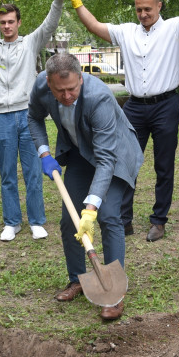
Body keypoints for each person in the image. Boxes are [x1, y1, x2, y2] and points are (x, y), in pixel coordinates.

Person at [59, 0, 179, 242]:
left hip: (165, 105)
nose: (143, 14)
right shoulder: (127, 32)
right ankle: (122, 219)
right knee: (123, 163)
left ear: (159, 6)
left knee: (164, 164)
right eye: (138, 10)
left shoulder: (174, 28)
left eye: (148, 9)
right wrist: (76, 1)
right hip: (135, 106)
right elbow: (93, 25)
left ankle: (159, 220)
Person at [28, 53, 143, 321]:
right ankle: (76, 280)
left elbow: (105, 160)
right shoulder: (41, 87)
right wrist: (44, 153)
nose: (67, 96)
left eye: (72, 89)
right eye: (60, 91)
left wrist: (91, 209)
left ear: (81, 78)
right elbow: (33, 117)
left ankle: (114, 293)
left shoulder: (98, 97)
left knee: (109, 215)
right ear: (49, 82)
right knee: (70, 221)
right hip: (80, 151)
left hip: (114, 156)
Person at [0, 0, 64, 242]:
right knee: (7, 173)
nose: (6, 26)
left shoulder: (29, 43)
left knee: (32, 171)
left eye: (10, 21)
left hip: (28, 115)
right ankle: (12, 222)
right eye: (2, 22)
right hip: (2, 118)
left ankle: (37, 221)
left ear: (19, 22)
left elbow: (50, 24)